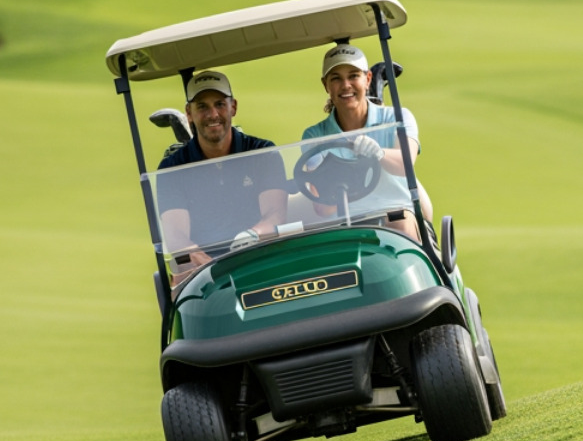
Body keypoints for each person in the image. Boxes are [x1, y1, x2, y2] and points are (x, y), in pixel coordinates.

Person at [156, 70, 287, 277]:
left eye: (219, 104)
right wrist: (214, 269)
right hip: (202, 271)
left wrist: (251, 235)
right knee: (178, 277)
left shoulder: (263, 153)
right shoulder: (172, 168)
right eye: (202, 107)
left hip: (257, 256)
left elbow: (275, 215)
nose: (213, 114)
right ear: (189, 113)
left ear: (233, 107)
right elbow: (176, 238)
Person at [301, 44, 431, 239]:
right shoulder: (314, 136)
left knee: (400, 224)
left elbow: (405, 164)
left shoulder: (397, 117)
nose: (346, 85)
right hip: (345, 223)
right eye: (336, 78)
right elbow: (323, 209)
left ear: (368, 79)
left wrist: (379, 153)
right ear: (325, 85)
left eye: (353, 76)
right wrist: (327, 176)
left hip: (395, 213)